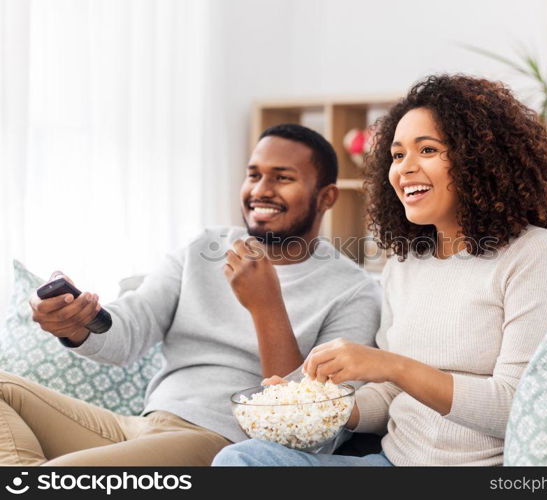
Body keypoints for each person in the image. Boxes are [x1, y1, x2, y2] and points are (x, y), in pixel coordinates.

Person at [213, 74, 547, 466]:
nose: (405, 169)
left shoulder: (533, 254)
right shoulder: (405, 263)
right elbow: (388, 398)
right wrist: (316, 404)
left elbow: (517, 406)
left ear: (479, 159)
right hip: (390, 464)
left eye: (428, 150)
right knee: (242, 461)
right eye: (398, 155)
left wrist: (392, 366)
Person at [0, 124, 381, 466]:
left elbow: (311, 426)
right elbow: (128, 331)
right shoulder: (204, 248)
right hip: (142, 426)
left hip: (221, 443)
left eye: (282, 178)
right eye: (254, 175)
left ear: (327, 197)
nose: (261, 190)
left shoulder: (354, 292)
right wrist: (76, 323)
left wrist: (266, 307)